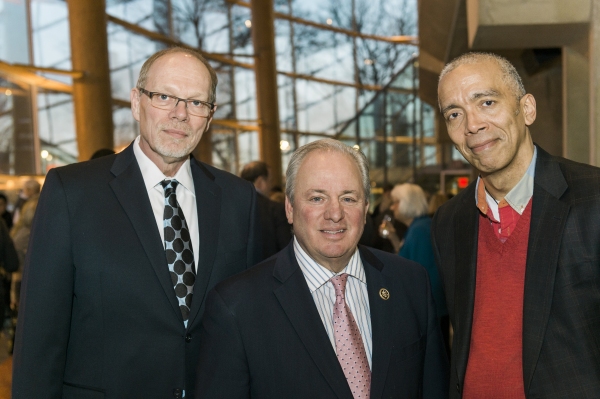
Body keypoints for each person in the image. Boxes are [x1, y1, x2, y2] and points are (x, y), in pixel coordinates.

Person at [12, 46, 260, 399]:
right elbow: (40, 337)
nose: (180, 114)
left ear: (210, 115)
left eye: (196, 103)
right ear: (136, 102)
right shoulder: (71, 192)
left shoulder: (240, 200)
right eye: (164, 96)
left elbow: (250, 325)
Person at [196, 139, 449, 398]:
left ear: (365, 207)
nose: (335, 213)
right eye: (317, 198)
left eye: (348, 198)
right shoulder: (236, 307)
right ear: (290, 208)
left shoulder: (411, 283)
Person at [433, 52, 600, 398]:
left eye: (487, 102)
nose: (472, 125)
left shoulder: (593, 198)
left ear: (527, 109)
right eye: (454, 114)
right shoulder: (448, 222)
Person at [381, 183, 449, 355]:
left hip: (429, 309)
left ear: (407, 204)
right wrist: (394, 238)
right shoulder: (417, 227)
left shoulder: (420, 230)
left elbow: (418, 275)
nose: (392, 206)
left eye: (396, 202)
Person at [240, 161, 292, 259]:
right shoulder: (274, 209)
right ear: (260, 182)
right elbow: (286, 248)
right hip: (269, 270)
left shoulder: (231, 208)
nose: (271, 186)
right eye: (270, 181)